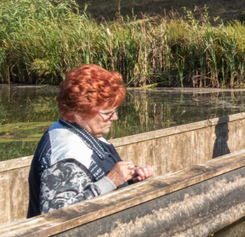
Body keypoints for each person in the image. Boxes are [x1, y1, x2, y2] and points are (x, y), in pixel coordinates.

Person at [27, 64, 154, 218]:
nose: (115, 118)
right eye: (108, 113)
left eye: (115, 111)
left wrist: (130, 176)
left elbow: (95, 177)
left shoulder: (80, 130)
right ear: (79, 113)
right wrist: (110, 181)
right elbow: (56, 215)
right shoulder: (66, 155)